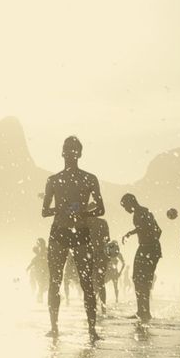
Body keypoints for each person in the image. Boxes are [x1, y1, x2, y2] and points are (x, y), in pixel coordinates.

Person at [42, 137, 104, 339]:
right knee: (55, 281)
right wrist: (64, 209)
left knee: (86, 282)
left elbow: (101, 209)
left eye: (73, 150)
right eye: (68, 150)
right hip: (59, 232)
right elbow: (44, 211)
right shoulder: (53, 180)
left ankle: (92, 330)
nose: (70, 154)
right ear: (62, 153)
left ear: (79, 153)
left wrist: (83, 212)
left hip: (81, 232)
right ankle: (54, 327)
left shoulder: (90, 178)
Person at [120, 194, 163, 322]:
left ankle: (143, 312)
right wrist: (154, 243)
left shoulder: (140, 212)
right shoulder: (144, 211)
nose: (125, 209)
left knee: (140, 280)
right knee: (142, 280)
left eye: (125, 206)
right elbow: (159, 230)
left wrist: (130, 233)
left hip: (147, 248)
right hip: (150, 248)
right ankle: (143, 311)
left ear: (130, 203)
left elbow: (144, 227)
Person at [102, 238, 124, 308]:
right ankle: (100, 299)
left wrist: (120, 272)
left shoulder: (118, 254)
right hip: (110, 271)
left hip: (113, 272)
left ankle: (116, 299)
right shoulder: (109, 253)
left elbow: (123, 263)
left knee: (114, 286)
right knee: (103, 284)